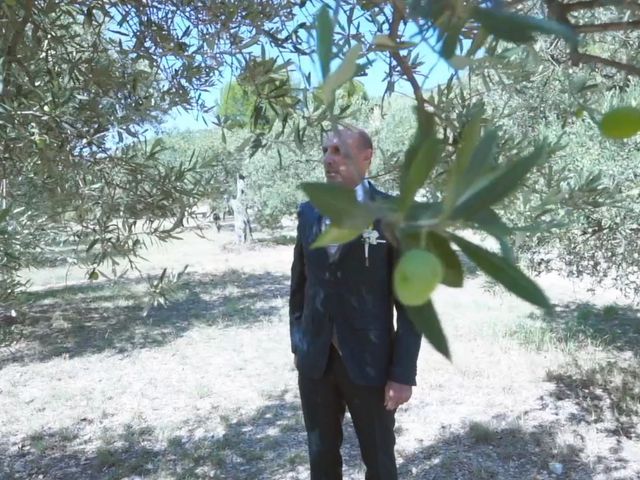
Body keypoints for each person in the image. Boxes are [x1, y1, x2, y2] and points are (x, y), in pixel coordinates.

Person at [289, 126, 422, 479]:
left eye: (339, 151)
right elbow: (300, 285)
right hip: (316, 361)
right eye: (326, 151)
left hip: (370, 362)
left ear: (366, 158)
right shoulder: (308, 212)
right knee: (321, 456)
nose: (329, 159)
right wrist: (299, 343)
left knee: (379, 460)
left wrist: (402, 373)